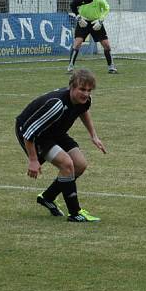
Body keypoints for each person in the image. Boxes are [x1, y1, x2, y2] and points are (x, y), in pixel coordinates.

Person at [16, 68, 107, 222]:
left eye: (89, 90)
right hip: (35, 134)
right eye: (82, 89)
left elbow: (83, 110)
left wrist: (93, 136)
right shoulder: (57, 104)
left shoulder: (84, 100)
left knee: (80, 165)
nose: (86, 94)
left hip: (55, 131)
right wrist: (33, 159)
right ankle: (75, 213)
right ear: (71, 87)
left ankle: (48, 197)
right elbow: (28, 131)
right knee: (67, 164)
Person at [67, 0, 118, 74]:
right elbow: (72, 5)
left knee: (106, 45)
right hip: (84, 23)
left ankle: (111, 67)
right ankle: (70, 67)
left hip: (96, 23)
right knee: (77, 43)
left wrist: (101, 20)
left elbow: (107, 8)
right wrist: (78, 17)